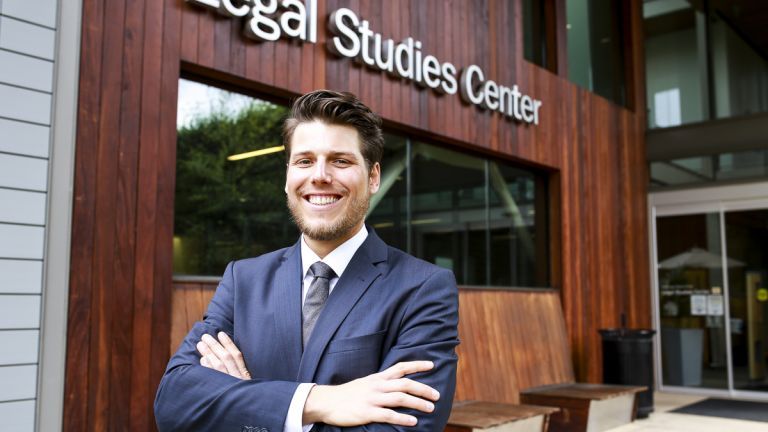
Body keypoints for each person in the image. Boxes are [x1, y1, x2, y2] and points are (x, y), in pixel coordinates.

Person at [154, 90, 459, 431]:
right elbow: (174, 401)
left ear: (373, 177)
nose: (320, 176)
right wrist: (319, 401)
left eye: (340, 161)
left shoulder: (422, 288)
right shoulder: (244, 280)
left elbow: (404, 427)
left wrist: (245, 401)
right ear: (287, 177)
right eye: (304, 161)